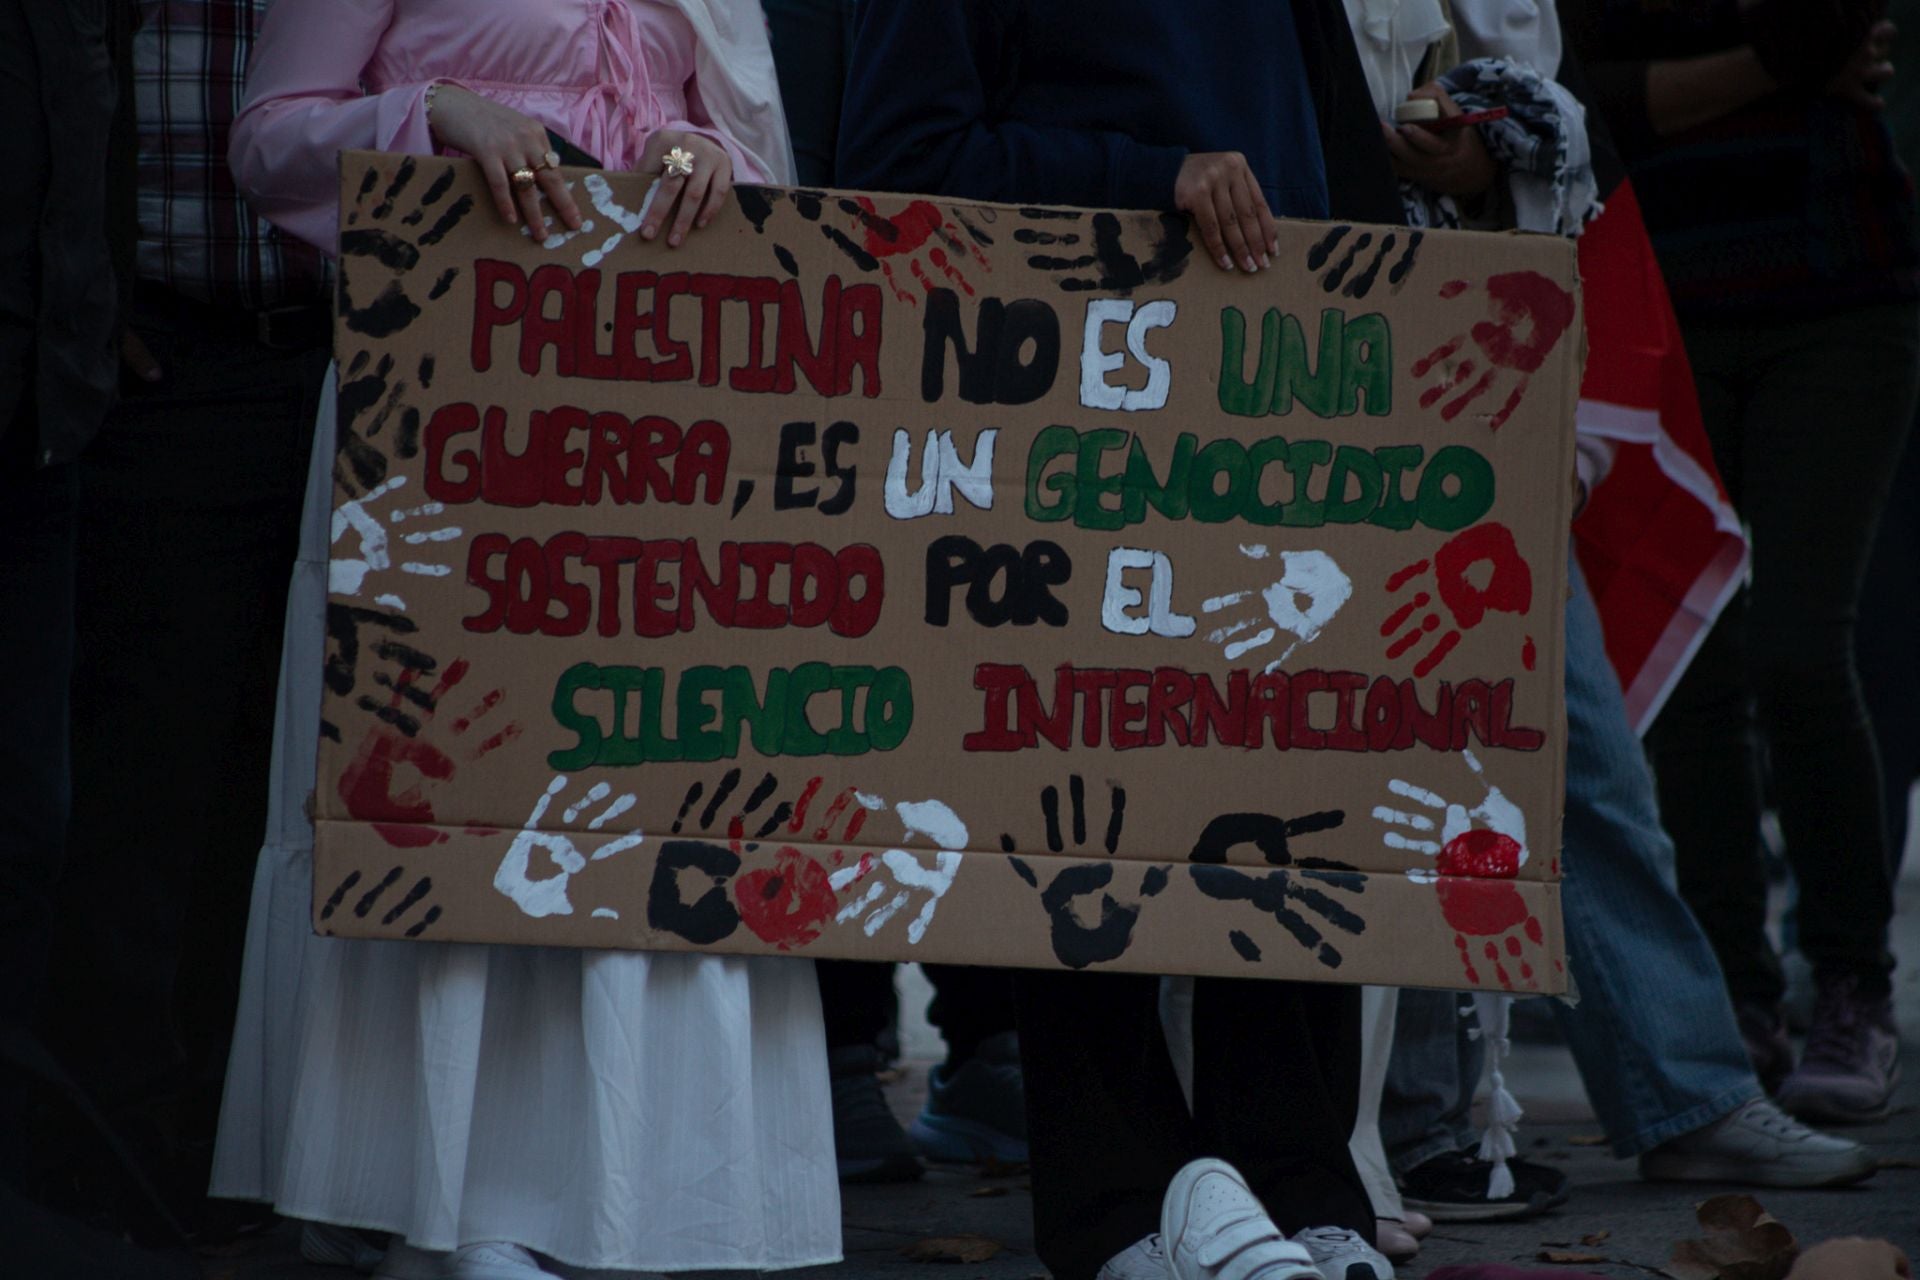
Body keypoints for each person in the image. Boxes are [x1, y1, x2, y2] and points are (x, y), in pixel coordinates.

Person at [207, 5, 837, 1279]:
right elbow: (267, 144)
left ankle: (638, 1193)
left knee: (643, 775)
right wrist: (435, 113)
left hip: (655, 409)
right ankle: (452, 1199)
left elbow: (749, 150)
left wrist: (703, 153)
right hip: (447, 395)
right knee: (465, 767)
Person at [839, 5, 1405, 1280]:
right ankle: (1119, 1210)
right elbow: (897, 162)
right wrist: (1148, 179)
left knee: (1286, 779)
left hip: (1281, 379)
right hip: (1062, 397)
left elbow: (1335, 159)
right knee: (1079, 792)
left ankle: (1303, 1189)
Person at [1367, 0, 1876, 1220]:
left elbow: (1568, 98)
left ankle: (1682, 1093)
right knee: (1382, 762)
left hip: (1477, 357)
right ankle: (1414, 1128)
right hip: (1327, 353)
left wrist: (1488, 150)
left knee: (1578, 749)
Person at [1566, 0, 1919, 1122]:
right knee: (1692, 661)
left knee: (1802, 647)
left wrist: (1692, 83)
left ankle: (1854, 983)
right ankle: (1734, 994)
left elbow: (1824, 27)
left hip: (1833, 291)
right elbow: (1587, 94)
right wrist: (1777, 67)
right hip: (1663, 299)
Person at [38, 1, 332, 1240]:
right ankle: (126, 1174)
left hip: (352, 361)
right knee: (155, 777)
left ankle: (259, 1153)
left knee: (308, 779)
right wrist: (84, 298)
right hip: (172, 357)